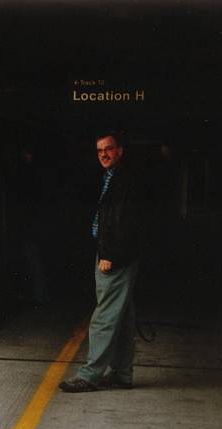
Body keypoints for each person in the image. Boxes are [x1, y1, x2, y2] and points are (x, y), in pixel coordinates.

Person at [60, 131, 146, 392]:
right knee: (122, 314)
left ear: (120, 150)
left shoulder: (124, 180)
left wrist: (110, 255)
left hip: (115, 255)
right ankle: (122, 373)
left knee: (105, 315)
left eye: (108, 149)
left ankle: (90, 374)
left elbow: (124, 221)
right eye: (99, 151)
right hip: (116, 252)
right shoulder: (114, 177)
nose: (104, 155)